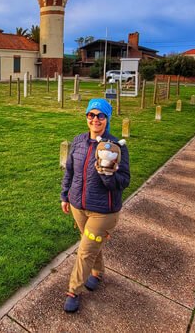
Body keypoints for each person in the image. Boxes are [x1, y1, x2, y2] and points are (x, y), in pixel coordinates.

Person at [60, 98, 130, 313]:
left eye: (100, 115)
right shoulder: (79, 142)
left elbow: (124, 181)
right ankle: (97, 273)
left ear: (107, 119)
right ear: (86, 117)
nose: (95, 119)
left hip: (104, 211)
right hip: (78, 206)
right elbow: (70, 172)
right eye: (91, 115)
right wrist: (65, 195)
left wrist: (108, 175)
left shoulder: (116, 146)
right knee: (90, 244)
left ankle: (73, 291)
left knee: (85, 251)